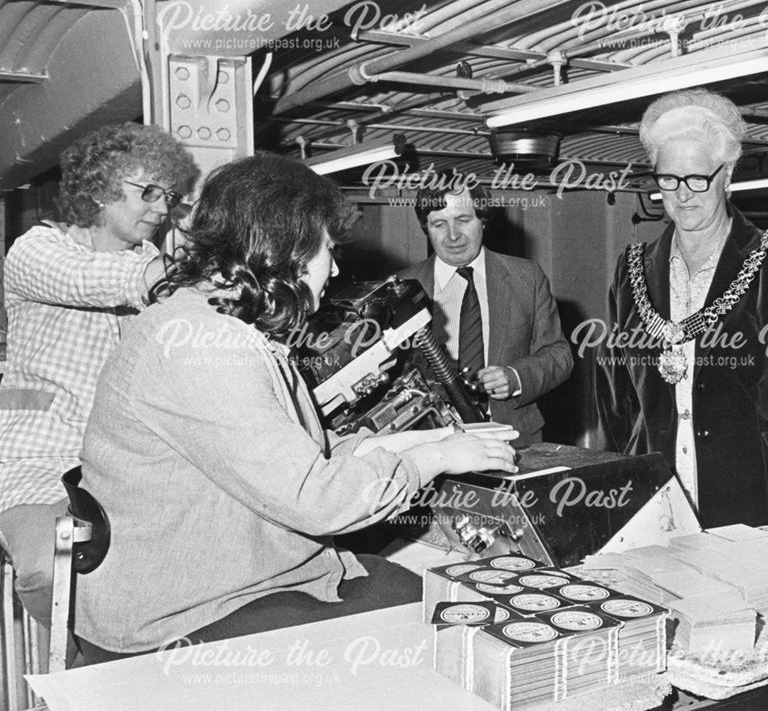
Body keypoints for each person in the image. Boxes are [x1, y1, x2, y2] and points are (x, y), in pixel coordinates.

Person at [73, 154, 518, 661]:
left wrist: (425, 440)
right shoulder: (206, 347)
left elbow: (310, 453)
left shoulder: (220, 327)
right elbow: (316, 499)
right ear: (288, 250)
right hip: (181, 612)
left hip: (235, 573)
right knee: (428, 635)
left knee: (414, 597)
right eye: (328, 249)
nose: (335, 268)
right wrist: (433, 461)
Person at [596, 88, 768, 530]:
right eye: (668, 178)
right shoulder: (630, 270)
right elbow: (614, 401)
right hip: (655, 500)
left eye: (698, 178)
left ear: (727, 176)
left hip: (751, 496)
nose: (683, 195)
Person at [0, 122, 197, 624]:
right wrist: (191, 274)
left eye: (168, 194)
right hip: (38, 464)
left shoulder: (153, 261)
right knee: (50, 572)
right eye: (147, 192)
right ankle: (76, 680)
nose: (161, 207)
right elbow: (93, 280)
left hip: (125, 465)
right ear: (99, 189)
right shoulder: (36, 250)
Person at [398, 180, 572, 448]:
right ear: (426, 229)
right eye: (439, 224)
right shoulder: (401, 287)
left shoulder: (526, 277)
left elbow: (559, 355)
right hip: (430, 442)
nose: (452, 235)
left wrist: (516, 377)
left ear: (483, 220)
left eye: (463, 220)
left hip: (512, 437)